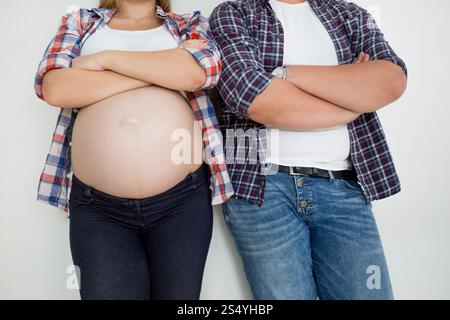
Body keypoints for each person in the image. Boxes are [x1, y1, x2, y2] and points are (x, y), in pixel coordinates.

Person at [34, 0, 234, 300]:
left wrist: (104, 60)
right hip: (98, 209)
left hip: (182, 203)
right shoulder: (80, 23)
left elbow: (200, 74)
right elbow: (55, 88)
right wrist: (161, 70)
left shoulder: (189, 24)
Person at [210, 0, 407, 300]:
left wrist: (284, 74)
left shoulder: (351, 14)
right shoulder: (234, 12)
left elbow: (391, 80)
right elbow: (249, 96)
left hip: (345, 188)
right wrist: (350, 98)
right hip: (262, 190)